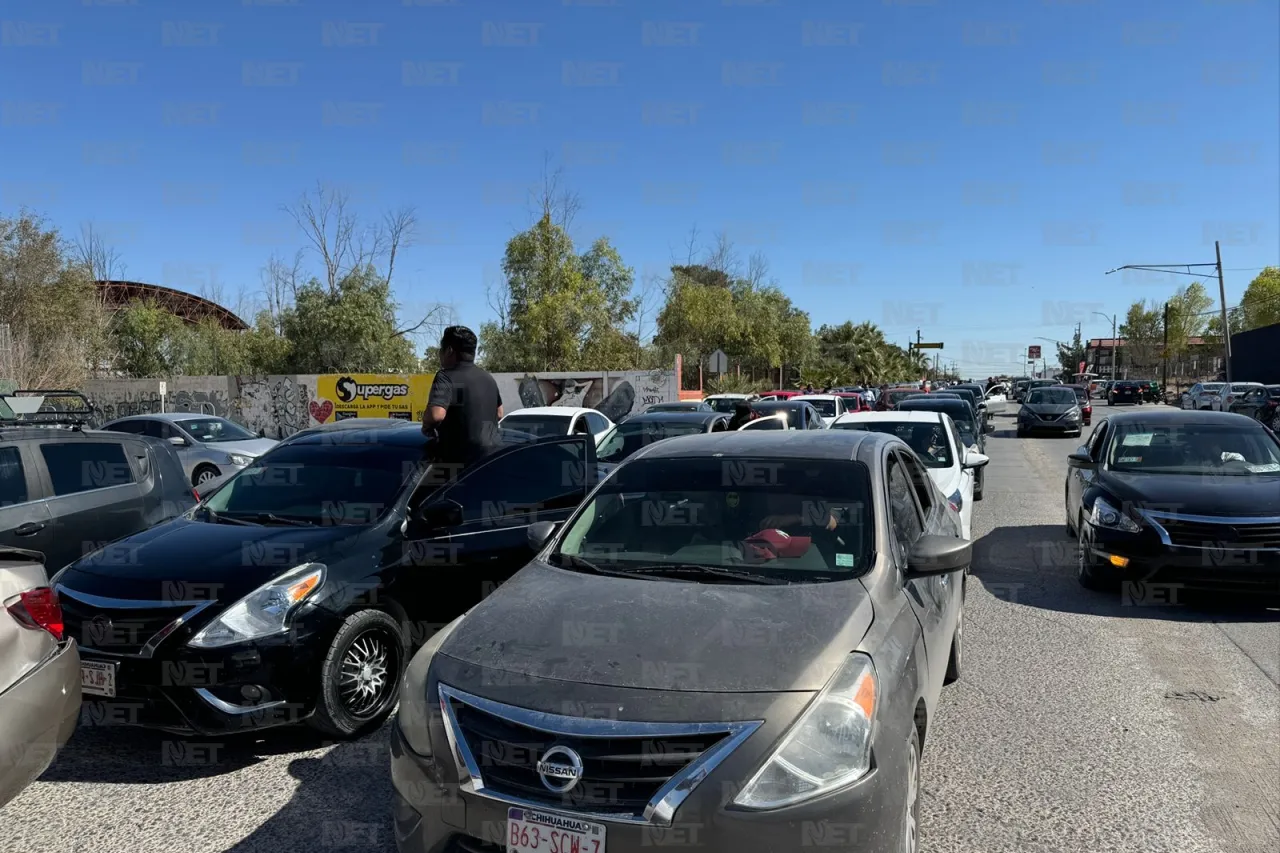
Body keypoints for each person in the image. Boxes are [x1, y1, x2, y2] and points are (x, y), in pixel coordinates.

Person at [421, 326, 504, 470]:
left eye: (441, 349)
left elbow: (436, 415)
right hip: (490, 462)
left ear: (449, 351)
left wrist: (426, 426)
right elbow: (499, 413)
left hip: (460, 468)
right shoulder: (488, 378)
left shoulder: (445, 376)